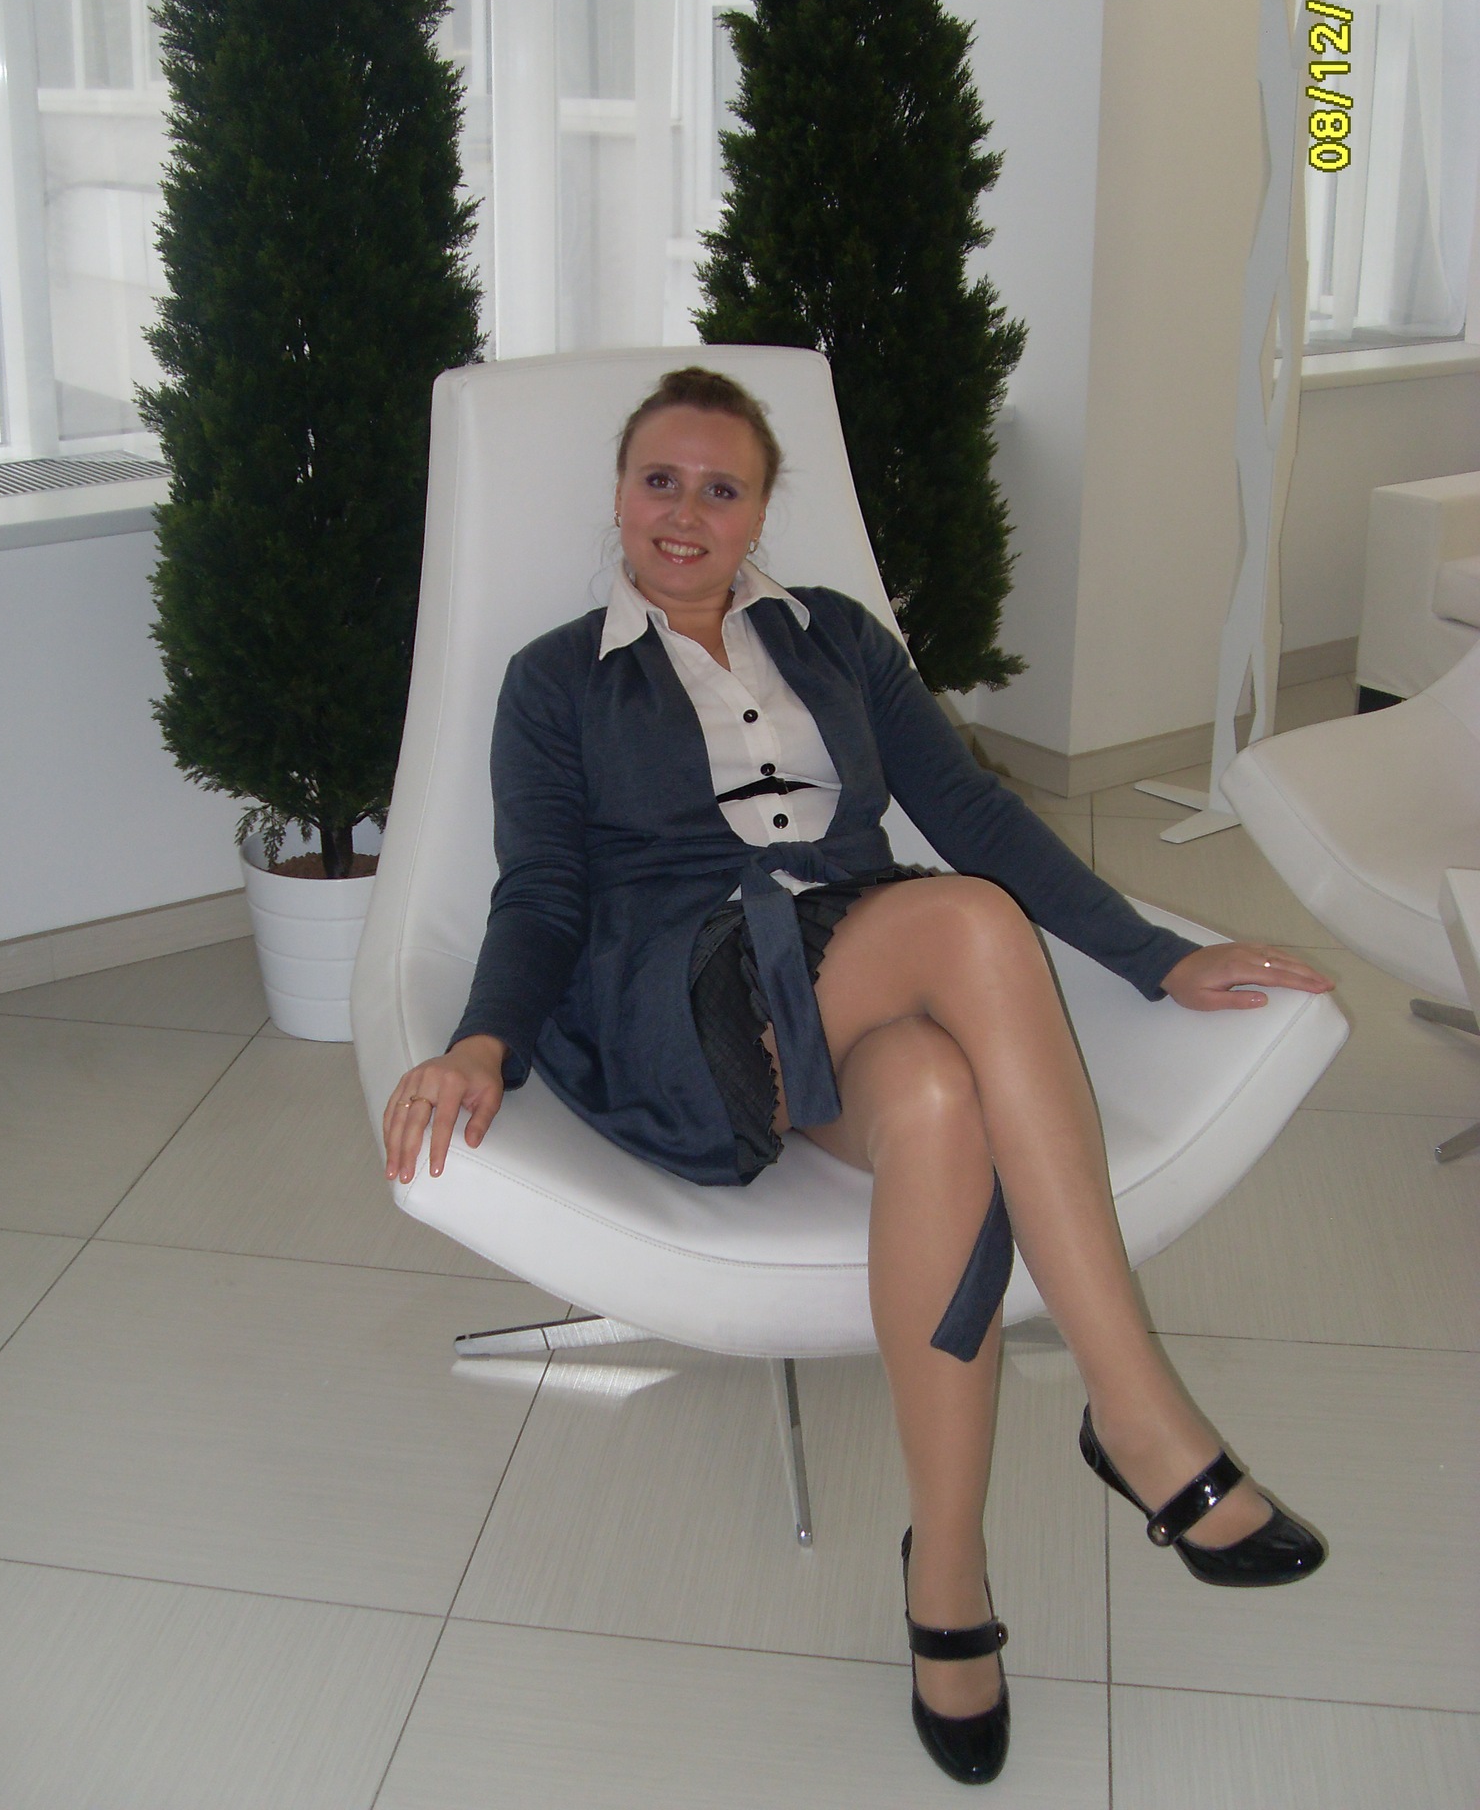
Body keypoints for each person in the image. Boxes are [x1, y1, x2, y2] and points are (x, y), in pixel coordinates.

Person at [382, 366, 1333, 1787]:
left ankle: (946, 1575)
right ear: (620, 497)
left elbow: (969, 813)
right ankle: (1137, 1415)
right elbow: (544, 891)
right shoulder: (556, 678)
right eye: (659, 481)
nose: (685, 513)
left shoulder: (836, 637)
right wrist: (482, 1039)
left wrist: (1157, 960)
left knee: (940, 1100)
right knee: (965, 922)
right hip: (685, 994)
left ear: (761, 509)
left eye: (721, 488)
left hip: (839, 971)